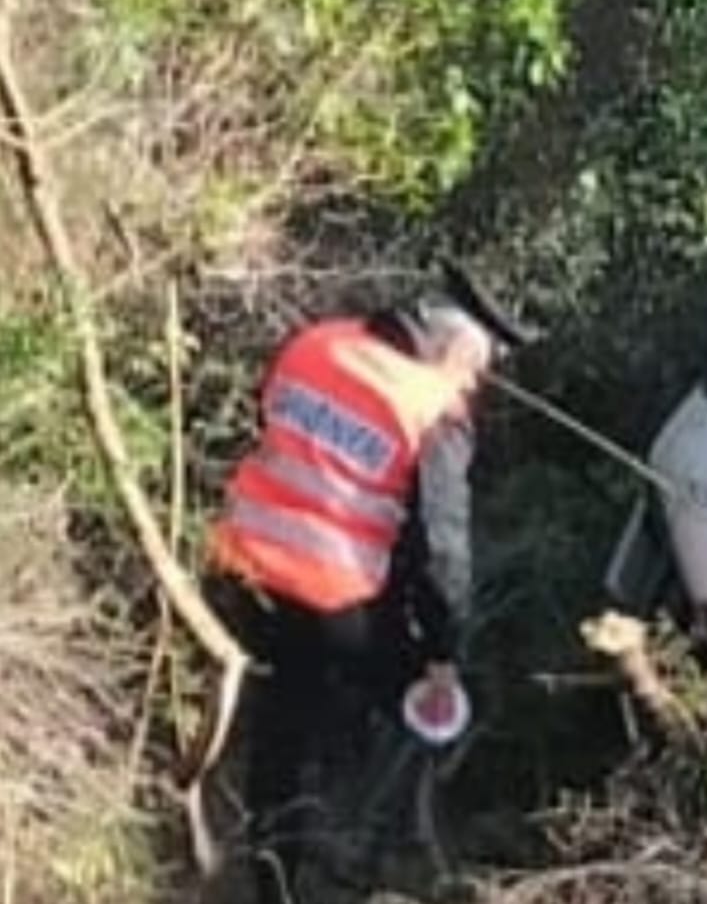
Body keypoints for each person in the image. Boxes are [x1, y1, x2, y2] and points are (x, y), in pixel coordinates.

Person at [198, 264, 528, 903]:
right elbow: (443, 553)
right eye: (481, 369)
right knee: (426, 704)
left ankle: (275, 858)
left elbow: (272, 431)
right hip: (324, 599)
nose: (477, 385)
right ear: (458, 346)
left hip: (236, 568)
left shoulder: (318, 342)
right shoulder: (434, 408)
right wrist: (441, 656)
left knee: (282, 723)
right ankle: (360, 848)